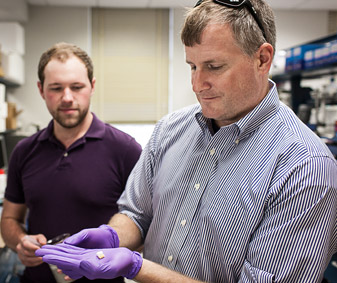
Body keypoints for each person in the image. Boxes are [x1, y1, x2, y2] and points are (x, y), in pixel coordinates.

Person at [35, 0, 337, 282]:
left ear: (262, 58)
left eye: (214, 67)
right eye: (192, 66)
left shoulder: (305, 167)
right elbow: (136, 215)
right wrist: (113, 236)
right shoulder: (171, 129)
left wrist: (137, 267)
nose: (196, 84)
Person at [0, 42, 142, 283]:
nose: (67, 98)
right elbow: (9, 219)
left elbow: (144, 226)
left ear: (92, 86)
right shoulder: (24, 151)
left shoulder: (125, 149)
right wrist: (20, 242)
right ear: (41, 90)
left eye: (77, 87)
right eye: (56, 88)